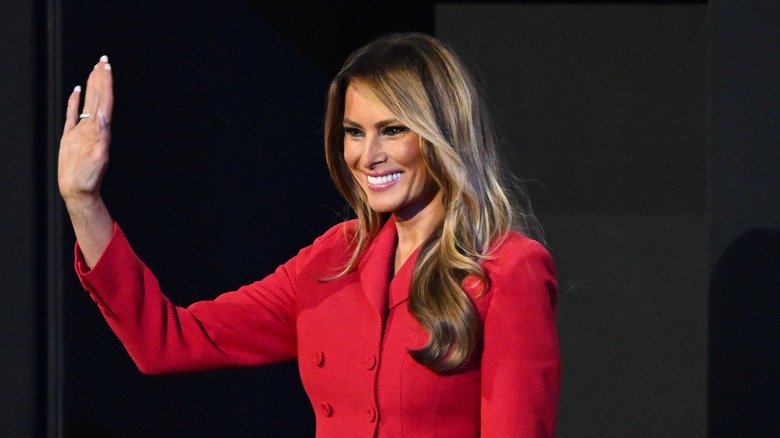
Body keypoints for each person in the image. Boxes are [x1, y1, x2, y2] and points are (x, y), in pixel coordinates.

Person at [59, 33, 560, 437]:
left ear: (441, 134)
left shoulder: (506, 269)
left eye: (392, 130)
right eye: (354, 132)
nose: (368, 156)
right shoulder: (333, 259)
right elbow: (167, 341)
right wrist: (85, 202)